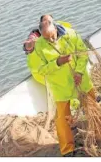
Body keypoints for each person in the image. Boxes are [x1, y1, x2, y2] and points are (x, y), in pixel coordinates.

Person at [30, 14, 95, 156]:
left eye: (52, 36)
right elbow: (40, 69)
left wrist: (79, 72)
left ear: (55, 27)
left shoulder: (70, 34)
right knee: (62, 120)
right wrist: (57, 62)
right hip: (60, 86)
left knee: (93, 108)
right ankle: (67, 150)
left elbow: (83, 54)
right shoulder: (39, 45)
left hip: (81, 81)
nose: (51, 40)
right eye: (46, 38)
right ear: (41, 35)